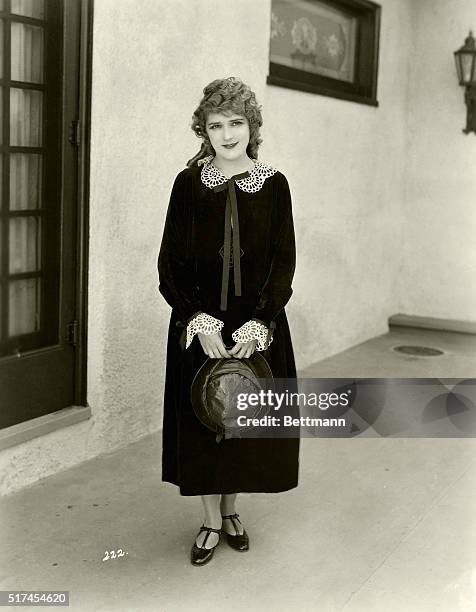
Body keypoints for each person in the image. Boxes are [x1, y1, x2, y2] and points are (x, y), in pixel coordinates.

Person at [157, 76, 299, 566]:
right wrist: (198, 319)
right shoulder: (188, 184)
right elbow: (169, 263)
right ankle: (210, 519)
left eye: (236, 122)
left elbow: (284, 263)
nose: (227, 133)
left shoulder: (275, 185)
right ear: (204, 131)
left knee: (242, 421)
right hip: (201, 325)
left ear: (252, 127)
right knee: (202, 420)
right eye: (216, 125)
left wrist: (260, 323)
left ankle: (233, 509)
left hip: (256, 324)